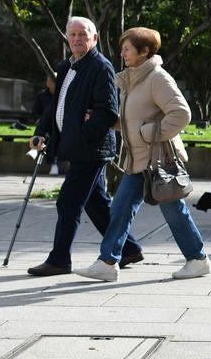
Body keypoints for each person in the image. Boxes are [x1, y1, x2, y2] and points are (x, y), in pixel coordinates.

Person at [73, 27, 210, 282]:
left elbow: (182, 114)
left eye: (127, 49)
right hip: (137, 161)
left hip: (158, 161)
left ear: (144, 51)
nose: (122, 53)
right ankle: (107, 262)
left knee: (173, 210)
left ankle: (198, 259)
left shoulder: (157, 78)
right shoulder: (133, 79)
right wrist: (106, 121)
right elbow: (132, 119)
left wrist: (148, 133)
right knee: (120, 210)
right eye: (122, 48)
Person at [26, 17, 144, 277]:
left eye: (83, 34)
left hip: (91, 150)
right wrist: (40, 132)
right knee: (95, 203)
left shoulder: (101, 67)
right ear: (67, 38)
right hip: (77, 147)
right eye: (73, 34)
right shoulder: (65, 66)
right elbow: (55, 106)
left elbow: (106, 112)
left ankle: (59, 260)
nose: (77, 38)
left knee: (68, 202)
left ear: (94, 38)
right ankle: (129, 249)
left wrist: (81, 137)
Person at [28, 76, 60, 175]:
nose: (52, 84)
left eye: (54, 81)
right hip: (45, 123)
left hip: (58, 125)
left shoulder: (62, 96)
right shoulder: (42, 95)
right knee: (47, 132)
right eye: (49, 81)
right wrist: (37, 119)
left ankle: (53, 162)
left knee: (54, 135)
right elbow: (35, 112)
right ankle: (35, 147)